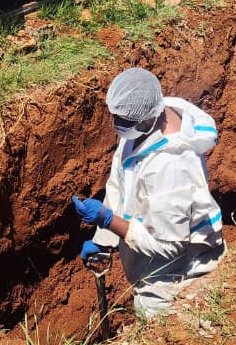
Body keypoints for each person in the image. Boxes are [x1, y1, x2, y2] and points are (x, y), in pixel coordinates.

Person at [71, 67, 224, 317]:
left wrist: (108, 220)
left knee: (156, 323)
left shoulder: (171, 164)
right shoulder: (147, 117)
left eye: (124, 120)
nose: (117, 125)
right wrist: (104, 240)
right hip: (151, 254)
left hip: (176, 274)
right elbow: (121, 182)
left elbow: (169, 246)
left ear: (147, 118)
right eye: (116, 117)